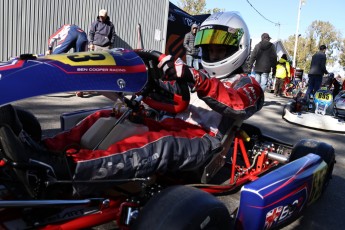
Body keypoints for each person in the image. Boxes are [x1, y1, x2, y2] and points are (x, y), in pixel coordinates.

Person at [30, 12, 264, 195]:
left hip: (203, 140)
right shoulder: (195, 74)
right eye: (209, 48)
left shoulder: (247, 85)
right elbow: (171, 95)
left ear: (238, 46)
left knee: (154, 143)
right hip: (170, 124)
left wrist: (196, 78)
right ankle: (41, 151)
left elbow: (238, 105)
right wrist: (150, 79)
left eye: (220, 48)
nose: (212, 53)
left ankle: (70, 170)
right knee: (105, 116)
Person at [45, 24, 88, 97]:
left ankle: (49, 82)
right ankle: (79, 88)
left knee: (54, 56)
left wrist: (49, 50)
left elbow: (51, 38)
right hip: (83, 36)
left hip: (71, 34)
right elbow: (86, 51)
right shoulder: (79, 29)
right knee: (80, 64)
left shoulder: (64, 27)